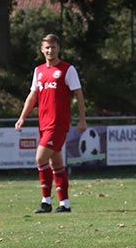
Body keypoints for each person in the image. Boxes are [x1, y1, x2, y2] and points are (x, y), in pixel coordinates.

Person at [15, 33, 87, 214]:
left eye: (53, 47)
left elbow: (78, 95)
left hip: (58, 123)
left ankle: (45, 202)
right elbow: (33, 96)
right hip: (43, 123)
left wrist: (82, 119)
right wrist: (22, 117)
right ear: (42, 49)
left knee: (40, 158)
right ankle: (65, 204)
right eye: (47, 47)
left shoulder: (67, 70)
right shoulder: (38, 71)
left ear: (58, 49)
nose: (50, 51)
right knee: (56, 163)